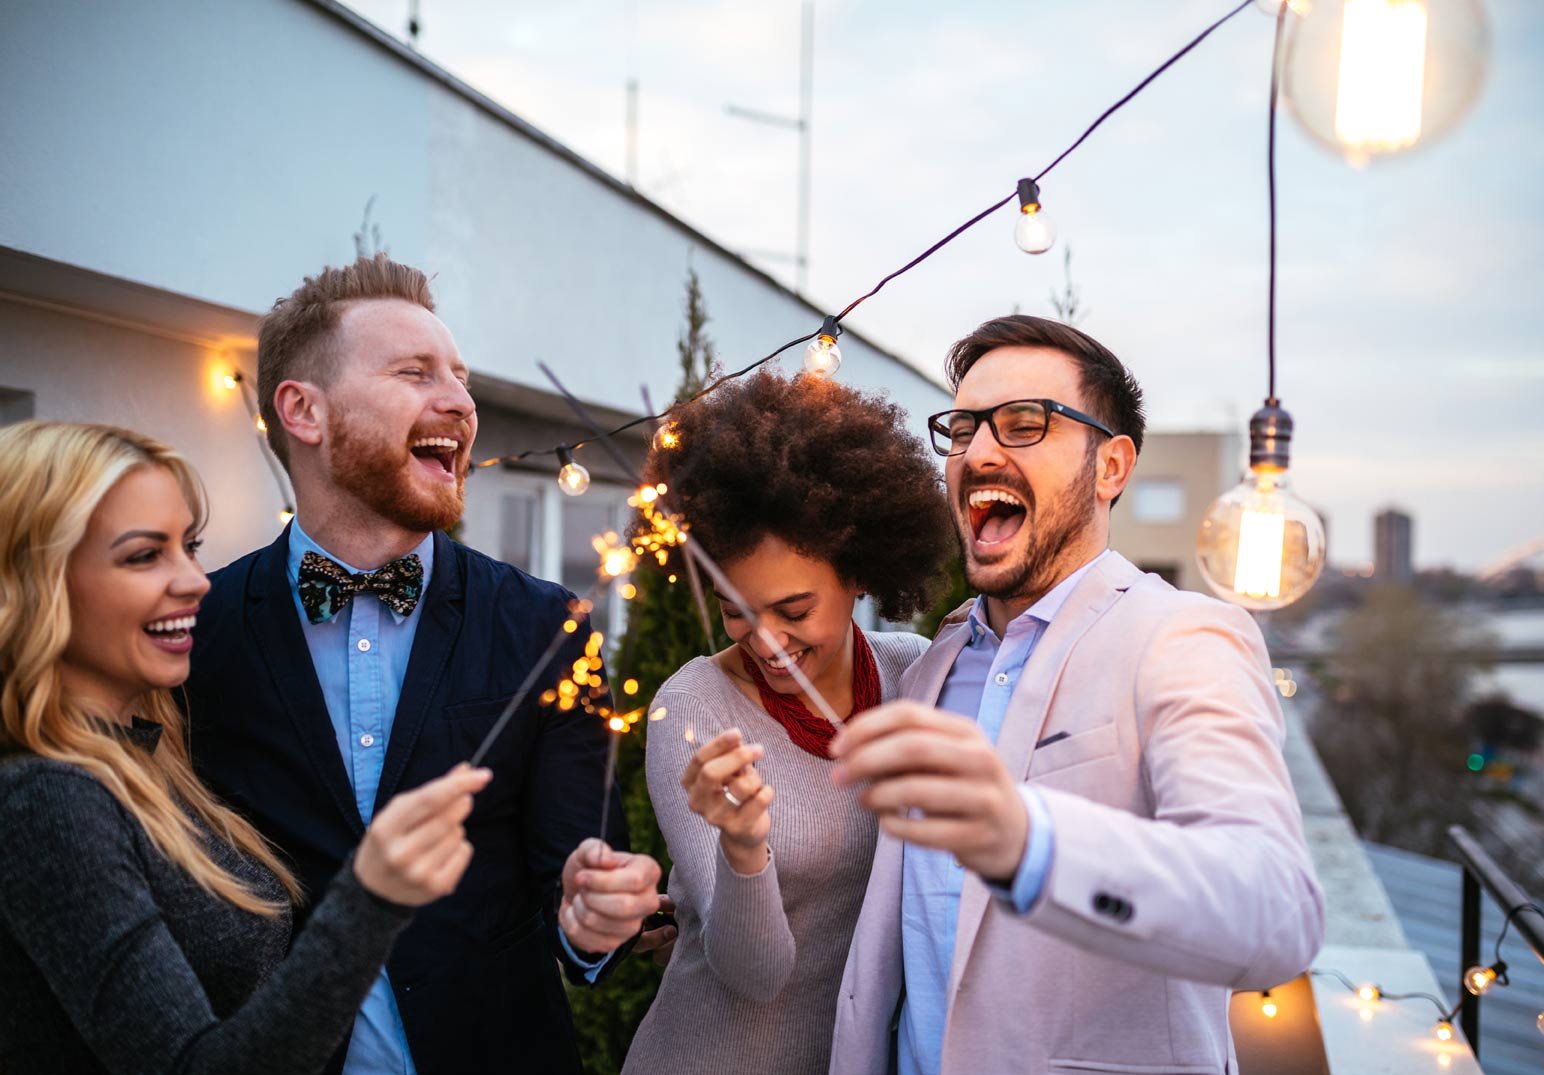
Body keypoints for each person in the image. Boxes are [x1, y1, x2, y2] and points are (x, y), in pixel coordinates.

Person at [183, 255, 667, 1075]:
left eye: (461, 377)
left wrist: (592, 918)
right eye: (414, 372)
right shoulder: (199, 628)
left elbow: (574, 879)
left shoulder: (547, 624)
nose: (460, 402)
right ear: (303, 410)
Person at [827, 315, 1326, 1075]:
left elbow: (1275, 908)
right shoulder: (932, 667)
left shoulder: (1184, 638)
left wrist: (1030, 840)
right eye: (962, 428)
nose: (980, 450)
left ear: (1110, 467)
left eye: (1025, 424)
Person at [0, 421, 491, 1075]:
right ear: (37, 583)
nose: (195, 580)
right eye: (145, 555)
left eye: (189, 546)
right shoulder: (49, 797)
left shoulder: (151, 752)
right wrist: (369, 897)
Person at [621, 370, 954, 1075]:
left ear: (859, 570)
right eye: (736, 608)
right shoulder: (693, 706)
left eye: (794, 609)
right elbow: (755, 975)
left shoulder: (914, 676)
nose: (765, 640)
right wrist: (742, 847)